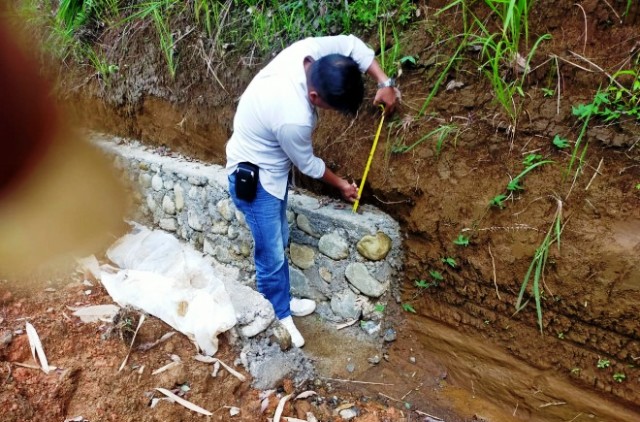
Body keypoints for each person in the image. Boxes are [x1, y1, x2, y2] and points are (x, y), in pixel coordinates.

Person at [226, 35, 399, 347]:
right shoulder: (293, 116)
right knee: (271, 253)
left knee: (279, 237)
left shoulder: (309, 53)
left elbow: (353, 46)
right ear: (316, 96)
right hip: (255, 177)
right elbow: (308, 165)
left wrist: (385, 81)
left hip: (271, 171)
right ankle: (277, 315)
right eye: (331, 108)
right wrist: (343, 185)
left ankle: (280, 300)